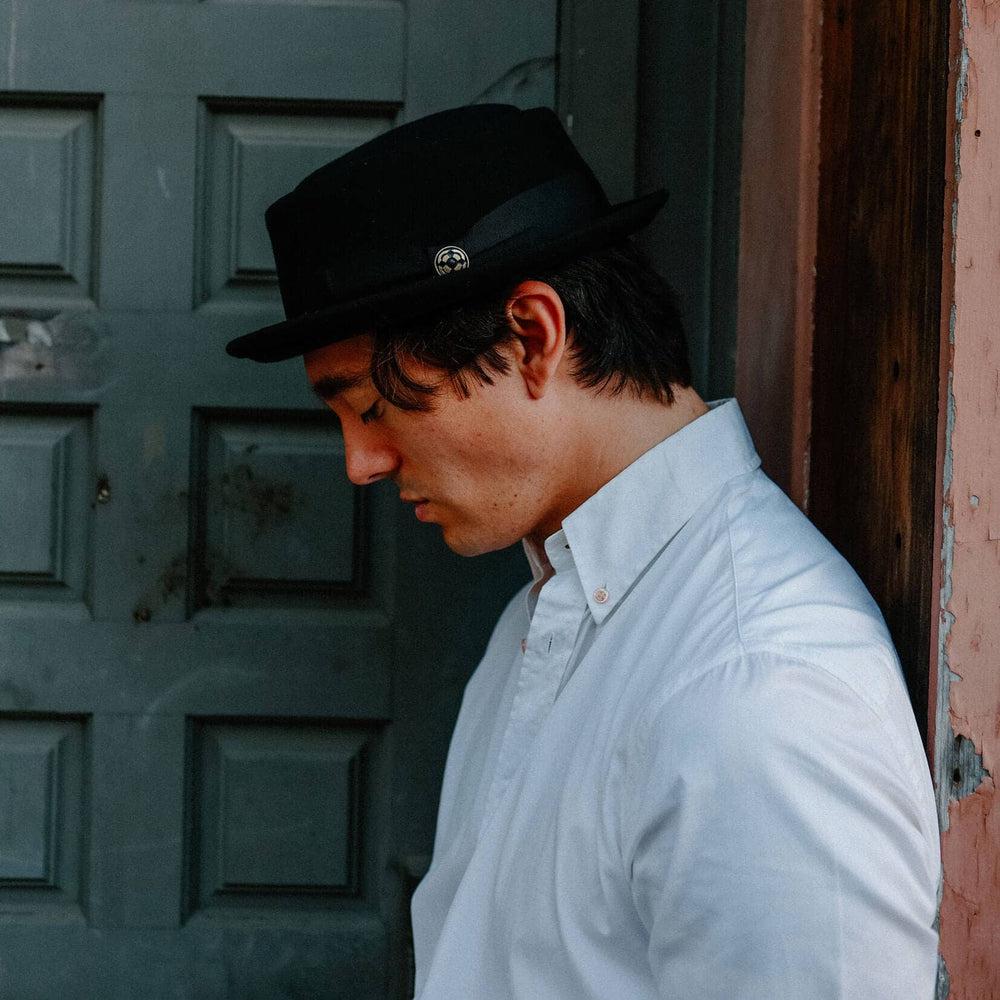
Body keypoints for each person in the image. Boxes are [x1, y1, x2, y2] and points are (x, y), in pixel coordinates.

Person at [227, 104, 941, 999]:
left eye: (373, 408)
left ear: (533, 337)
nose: (362, 464)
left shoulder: (757, 688)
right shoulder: (548, 614)